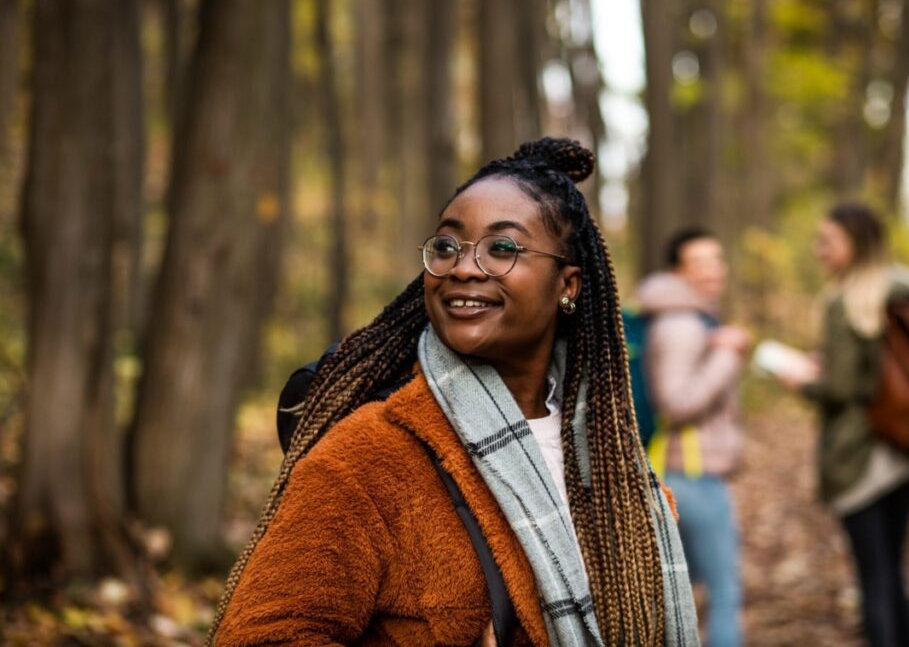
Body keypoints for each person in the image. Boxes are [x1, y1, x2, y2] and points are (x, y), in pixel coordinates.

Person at [208, 138, 700, 646]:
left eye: (502, 248)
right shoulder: (369, 457)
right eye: (446, 246)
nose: (463, 267)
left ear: (567, 285)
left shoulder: (612, 465)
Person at [779, 202, 909, 647]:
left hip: (860, 458)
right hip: (905, 451)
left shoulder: (847, 302)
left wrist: (802, 382)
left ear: (855, 246)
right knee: (894, 574)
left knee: (873, 580)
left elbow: (841, 390)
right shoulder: (908, 290)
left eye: (828, 241)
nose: (819, 250)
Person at [635, 228, 749, 647]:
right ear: (677, 272)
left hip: (682, 471)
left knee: (679, 597)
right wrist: (727, 354)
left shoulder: (687, 317)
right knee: (725, 595)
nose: (712, 271)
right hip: (693, 475)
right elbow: (676, 402)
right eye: (699, 263)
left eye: (716, 260)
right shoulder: (682, 324)